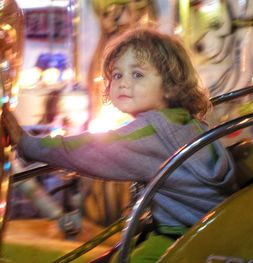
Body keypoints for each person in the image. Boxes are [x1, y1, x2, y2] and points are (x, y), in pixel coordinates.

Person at [2, 28, 237, 262]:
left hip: (184, 234)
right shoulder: (186, 122)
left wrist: (27, 143)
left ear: (170, 85)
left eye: (137, 75)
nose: (124, 83)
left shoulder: (150, 131)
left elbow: (90, 150)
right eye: (117, 75)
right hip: (211, 226)